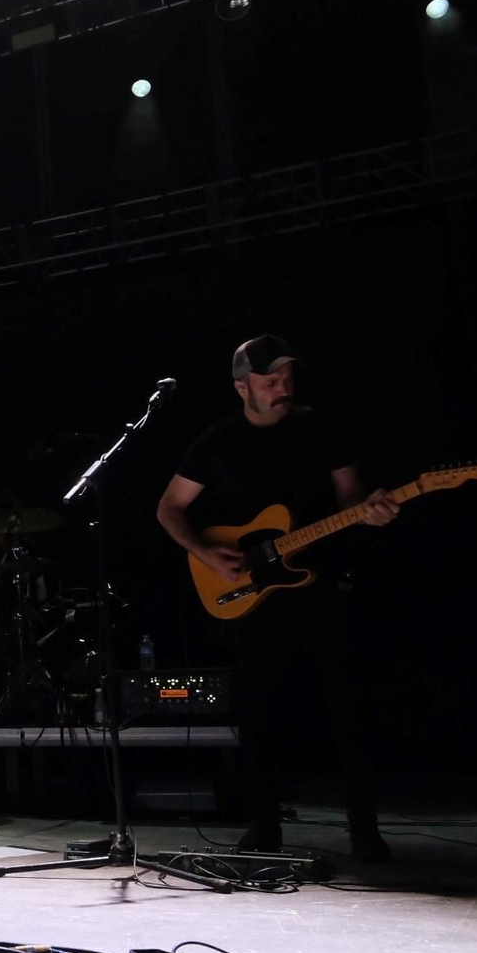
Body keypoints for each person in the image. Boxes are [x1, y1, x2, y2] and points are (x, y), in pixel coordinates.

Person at [155, 335, 399, 861]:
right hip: (251, 591)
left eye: (287, 378)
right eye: (270, 380)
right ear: (242, 387)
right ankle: (263, 827)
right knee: (257, 712)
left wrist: (369, 512)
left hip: (321, 583)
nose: (282, 387)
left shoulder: (321, 427)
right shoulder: (217, 441)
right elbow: (169, 508)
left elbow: (350, 497)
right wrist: (204, 552)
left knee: (348, 707)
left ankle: (365, 831)